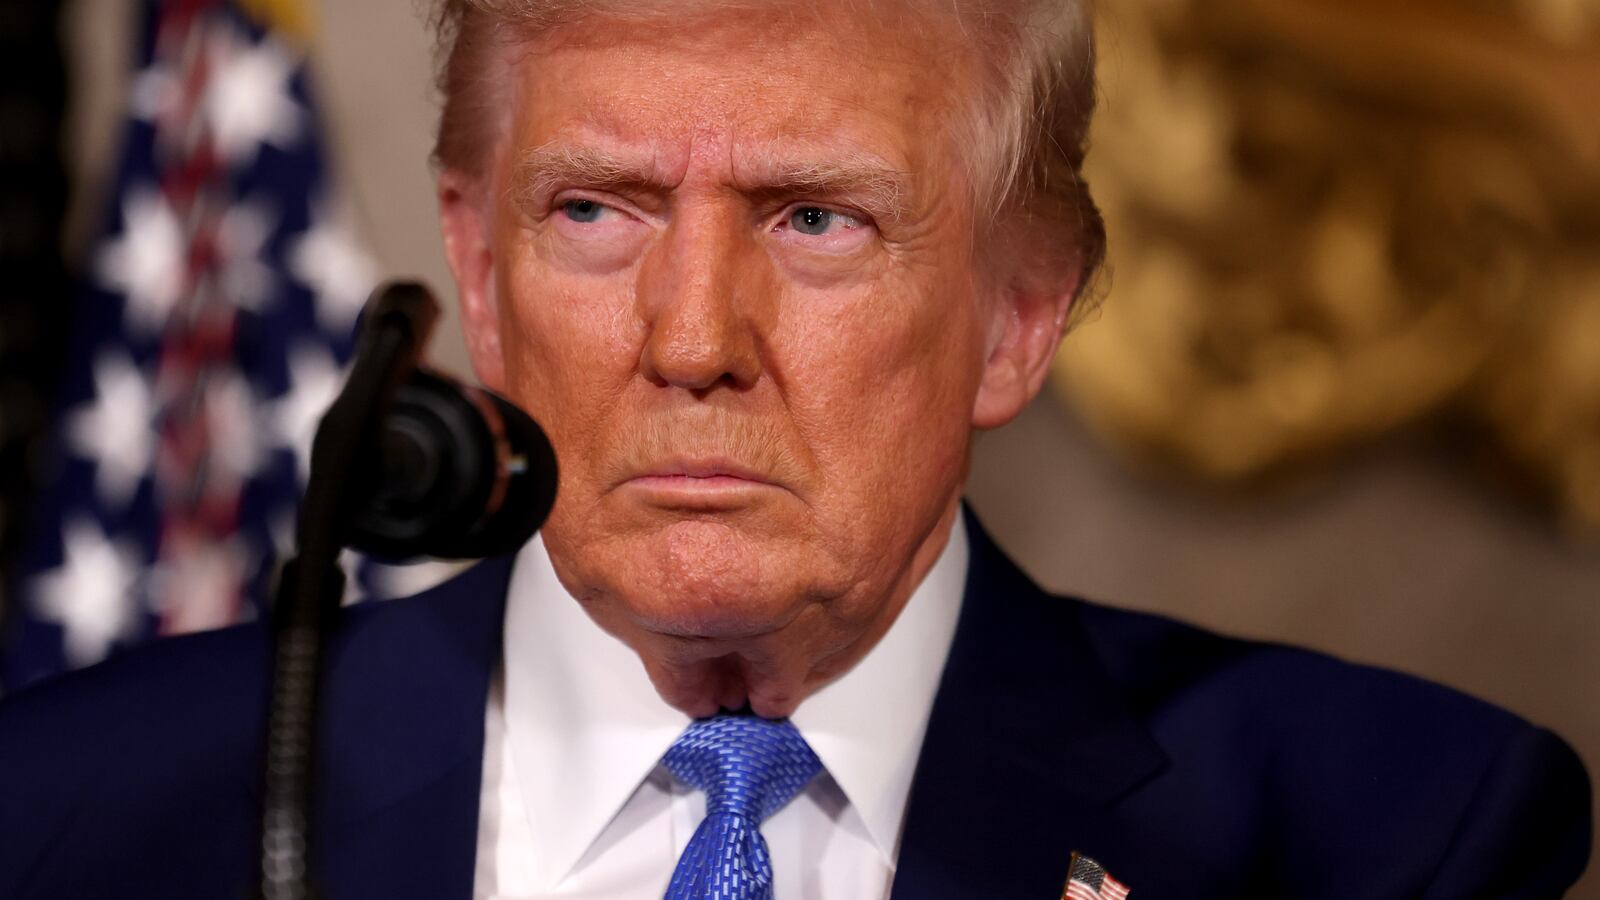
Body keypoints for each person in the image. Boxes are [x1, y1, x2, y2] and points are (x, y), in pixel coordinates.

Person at [0, 0, 1590, 897]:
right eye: (598, 212)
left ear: (1024, 310)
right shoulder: (76, 814)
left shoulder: (1389, 838)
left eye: (817, 219)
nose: (691, 339)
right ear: (479, 275)